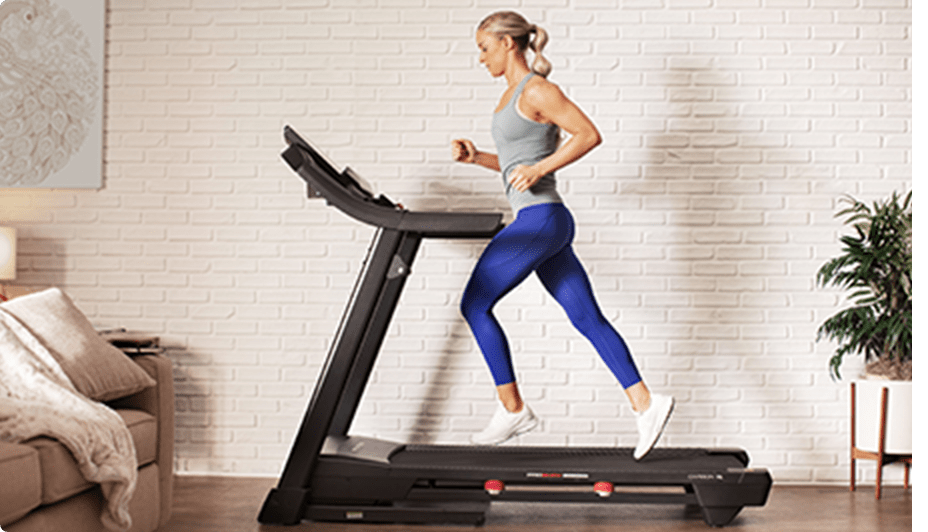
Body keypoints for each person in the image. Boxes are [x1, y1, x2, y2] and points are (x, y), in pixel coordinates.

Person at [452, 11, 674, 460]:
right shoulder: (511, 95)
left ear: (507, 44)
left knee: (475, 304)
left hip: (539, 221)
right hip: (545, 221)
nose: (480, 58)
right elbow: (519, 163)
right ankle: (647, 404)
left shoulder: (537, 88)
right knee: (587, 318)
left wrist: (540, 168)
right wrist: (479, 158)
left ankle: (512, 408)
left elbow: (588, 134)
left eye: (484, 48)